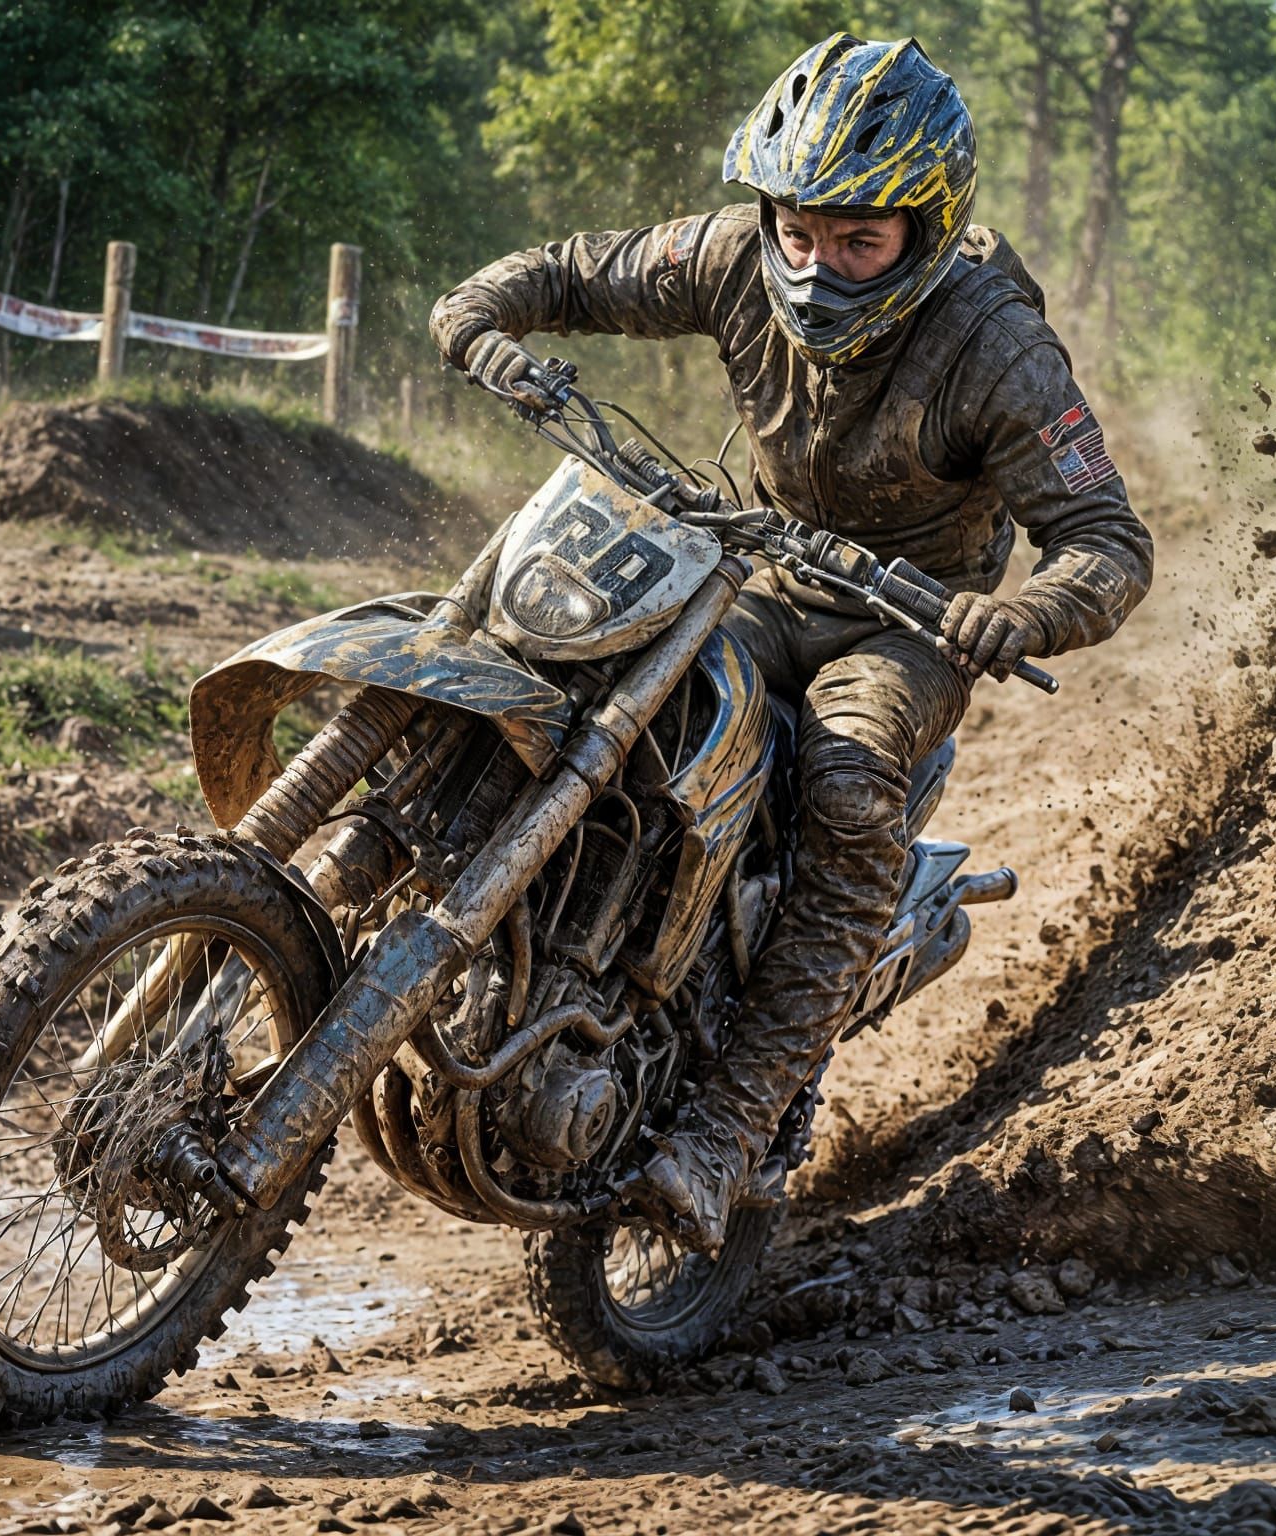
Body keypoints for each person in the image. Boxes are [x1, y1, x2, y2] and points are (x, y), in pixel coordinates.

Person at [429, 34, 1153, 1255]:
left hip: (906, 622)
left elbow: (1107, 539)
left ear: (925, 230)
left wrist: (1016, 614)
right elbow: (572, 270)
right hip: (752, 566)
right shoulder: (732, 255)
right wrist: (483, 311)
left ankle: (724, 1130)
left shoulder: (998, 345)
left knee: (849, 778)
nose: (818, 266)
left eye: (859, 241)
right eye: (801, 231)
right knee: (563, 664)